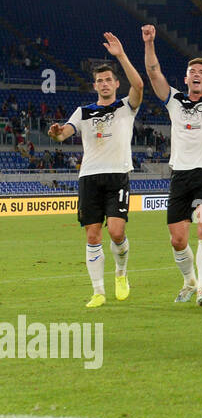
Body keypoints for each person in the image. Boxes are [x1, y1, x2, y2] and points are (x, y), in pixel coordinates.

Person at [142, 20, 202, 307]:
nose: (197, 75)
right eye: (192, 72)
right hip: (180, 175)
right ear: (185, 79)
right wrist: (149, 43)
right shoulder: (174, 100)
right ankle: (189, 281)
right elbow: (153, 72)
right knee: (177, 240)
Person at [46, 33, 144, 307]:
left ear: (115, 83)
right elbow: (63, 134)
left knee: (116, 232)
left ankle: (121, 274)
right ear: (94, 85)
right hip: (89, 177)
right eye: (99, 80)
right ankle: (98, 291)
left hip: (117, 175)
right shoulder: (83, 111)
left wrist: (121, 55)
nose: (103, 84)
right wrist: (55, 132)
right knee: (92, 234)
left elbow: (139, 84)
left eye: (108, 80)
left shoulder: (126, 107)